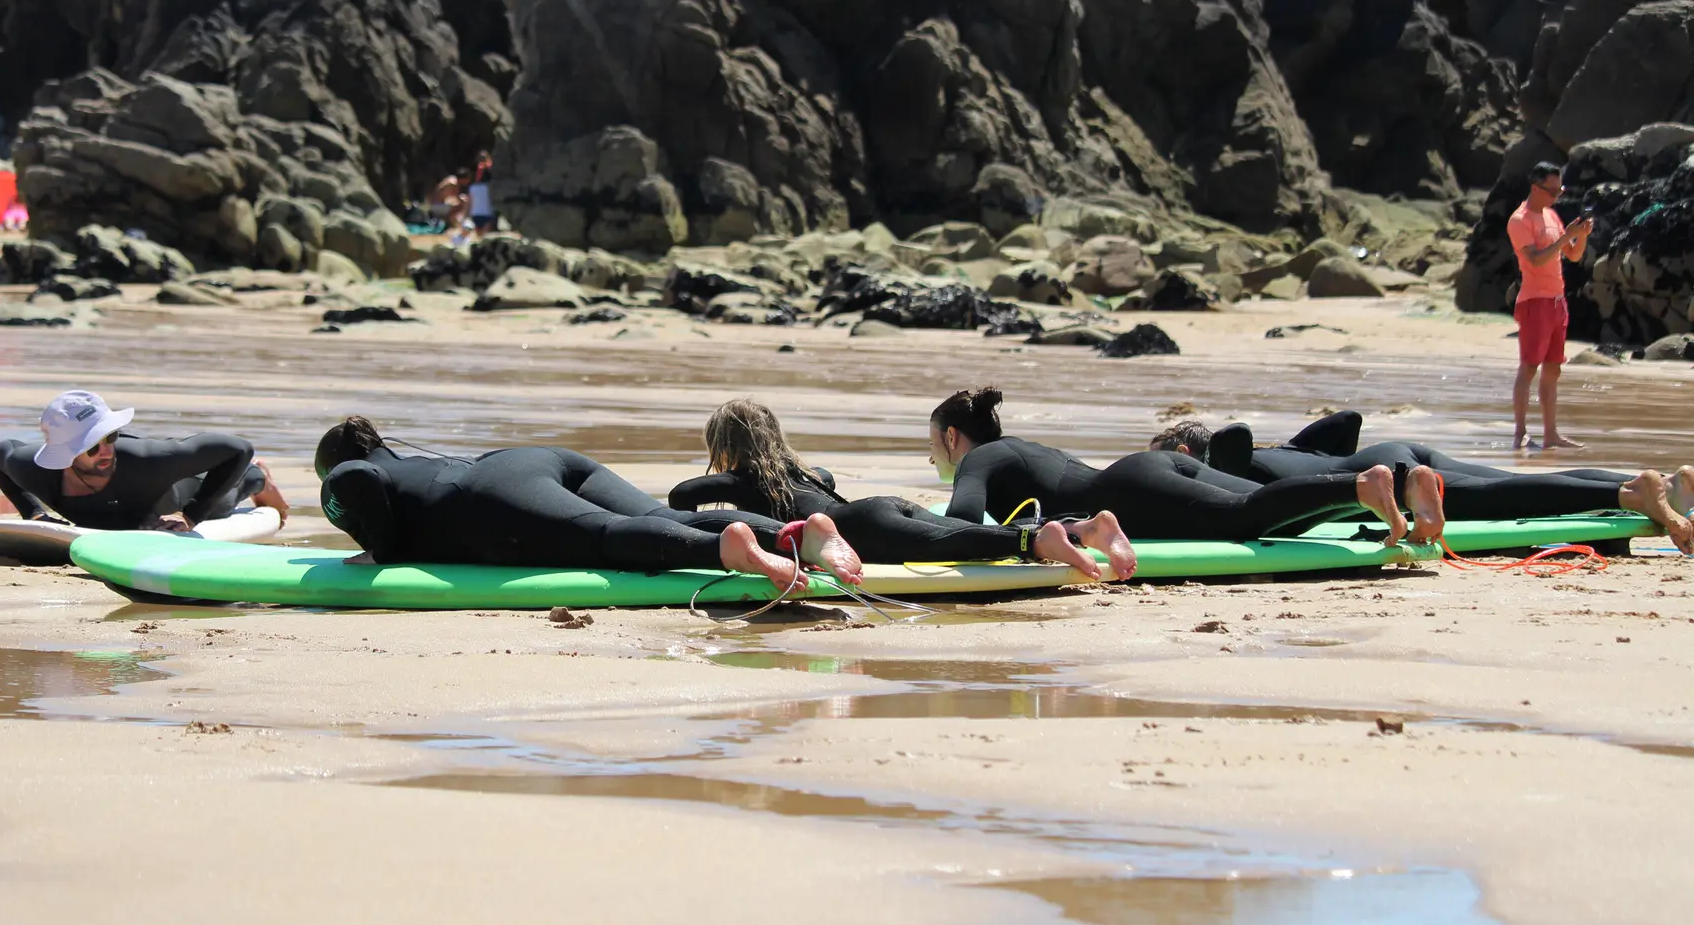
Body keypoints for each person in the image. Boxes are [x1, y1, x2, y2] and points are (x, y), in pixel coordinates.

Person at [314, 416, 862, 593]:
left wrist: (379, 551)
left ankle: (726, 550)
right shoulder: (404, 460)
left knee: (601, 538)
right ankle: (797, 534)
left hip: (486, 497)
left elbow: (355, 478)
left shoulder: (346, 470)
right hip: (528, 460)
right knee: (657, 516)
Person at [670, 399, 1136, 581]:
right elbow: (828, 478)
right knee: (954, 534)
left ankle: (1036, 539)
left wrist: (726, 481)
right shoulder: (808, 472)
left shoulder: (740, 480)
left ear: (724, 447)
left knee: (949, 544)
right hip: (882, 508)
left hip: (860, 526)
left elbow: (680, 497)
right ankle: (1082, 529)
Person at [931, 388, 1447, 547]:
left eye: (934, 445)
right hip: (1147, 468)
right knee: (1260, 512)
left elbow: (960, 519)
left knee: (1242, 517)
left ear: (953, 437)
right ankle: (1401, 486)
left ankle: (1366, 485)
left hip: (1128, 492)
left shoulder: (978, 458)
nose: (933, 457)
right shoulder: (1026, 448)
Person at [1151, 412, 1694, 553]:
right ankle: (1667, 484)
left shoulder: (1229, 467)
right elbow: (1347, 421)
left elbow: (1235, 440)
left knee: (1490, 503)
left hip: (1394, 474)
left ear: (1184, 456)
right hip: (1398, 448)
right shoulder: (1282, 453)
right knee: (1508, 484)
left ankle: (1625, 494)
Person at [0, 390, 288, 531]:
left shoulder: (149, 461)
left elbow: (237, 448)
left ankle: (259, 478)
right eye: (92, 447)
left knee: (224, 502)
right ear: (65, 454)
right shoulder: (34, 470)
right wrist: (33, 513)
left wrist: (191, 515)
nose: (106, 451)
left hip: (173, 496)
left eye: (111, 437)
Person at [1508, 162, 1592, 451]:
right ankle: (1520, 433)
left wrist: (1579, 237)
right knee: (1529, 367)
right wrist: (1566, 237)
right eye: (1552, 191)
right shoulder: (1520, 220)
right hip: (1534, 302)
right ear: (1535, 188)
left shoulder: (1551, 215)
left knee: (1553, 369)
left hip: (1558, 301)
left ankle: (1551, 434)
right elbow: (1535, 259)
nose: (1557, 196)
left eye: (1560, 190)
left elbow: (1573, 256)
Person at [467, 151, 495, 238]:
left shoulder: (472, 187)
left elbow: (470, 201)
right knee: (485, 236)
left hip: (475, 214)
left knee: (479, 237)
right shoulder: (489, 186)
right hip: (488, 213)